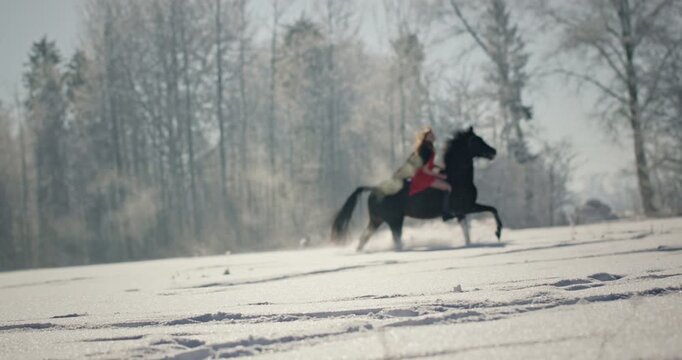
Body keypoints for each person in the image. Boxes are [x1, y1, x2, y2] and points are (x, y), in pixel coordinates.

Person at [408, 127, 454, 221]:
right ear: (425, 138)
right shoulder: (426, 149)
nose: (433, 136)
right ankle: (446, 213)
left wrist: (441, 168)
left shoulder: (428, 147)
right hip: (422, 177)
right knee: (448, 187)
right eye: (430, 135)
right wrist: (441, 175)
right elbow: (425, 170)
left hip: (423, 175)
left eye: (432, 134)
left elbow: (430, 165)